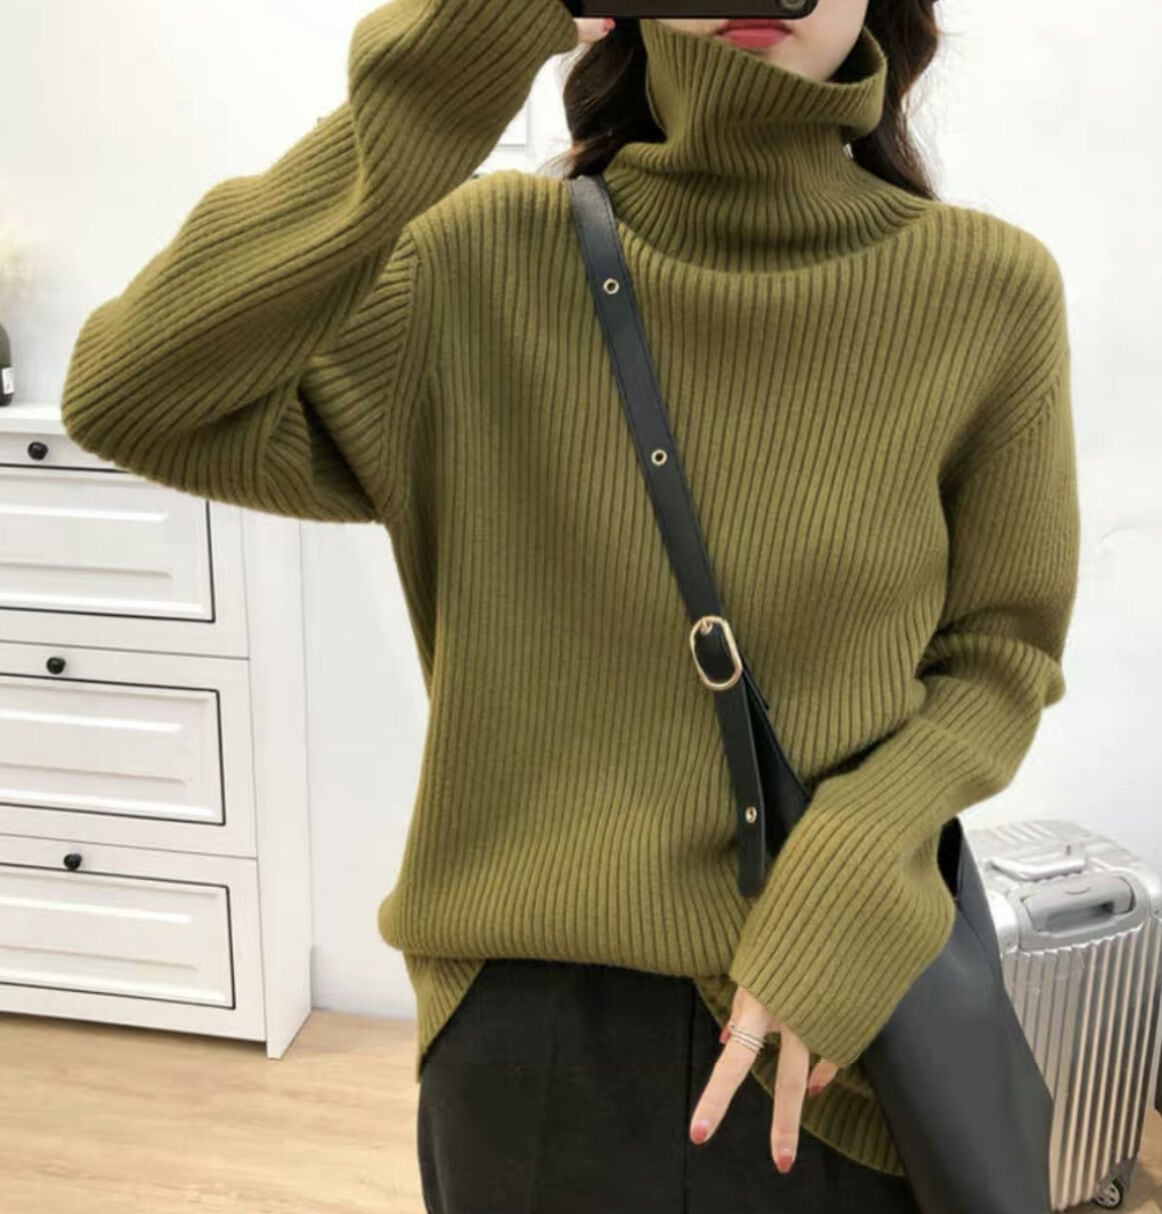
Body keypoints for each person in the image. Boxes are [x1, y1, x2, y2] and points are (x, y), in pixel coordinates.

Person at [58, 0, 1080, 1209]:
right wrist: (465, 51)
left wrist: (852, 870)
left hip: (841, 1020)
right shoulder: (477, 260)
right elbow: (134, 394)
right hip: (532, 1044)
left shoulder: (985, 290)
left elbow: (998, 657)